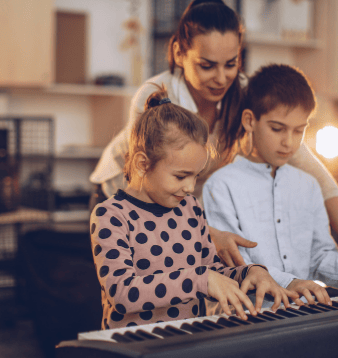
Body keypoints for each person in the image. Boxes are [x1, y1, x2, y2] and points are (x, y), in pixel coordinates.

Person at [89, 0, 338, 269]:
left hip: (184, 206)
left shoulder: (244, 94)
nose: (221, 78)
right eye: (207, 66)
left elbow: (311, 167)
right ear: (179, 53)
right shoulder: (153, 95)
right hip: (127, 200)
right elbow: (146, 185)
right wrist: (206, 234)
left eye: (231, 64)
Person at [89, 88, 298, 330]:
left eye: (196, 177)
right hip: (134, 348)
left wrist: (251, 273)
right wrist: (200, 280)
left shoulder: (190, 208)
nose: (189, 187)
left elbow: (211, 271)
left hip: (186, 342)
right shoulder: (111, 216)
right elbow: (122, 294)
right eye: (180, 176)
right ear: (142, 164)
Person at [203, 64, 338, 306]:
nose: (289, 142)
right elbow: (237, 264)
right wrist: (291, 282)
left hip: (303, 314)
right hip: (249, 316)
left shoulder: (308, 186)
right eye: (277, 129)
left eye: (299, 131)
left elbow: (319, 256)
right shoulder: (221, 185)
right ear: (250, 121)